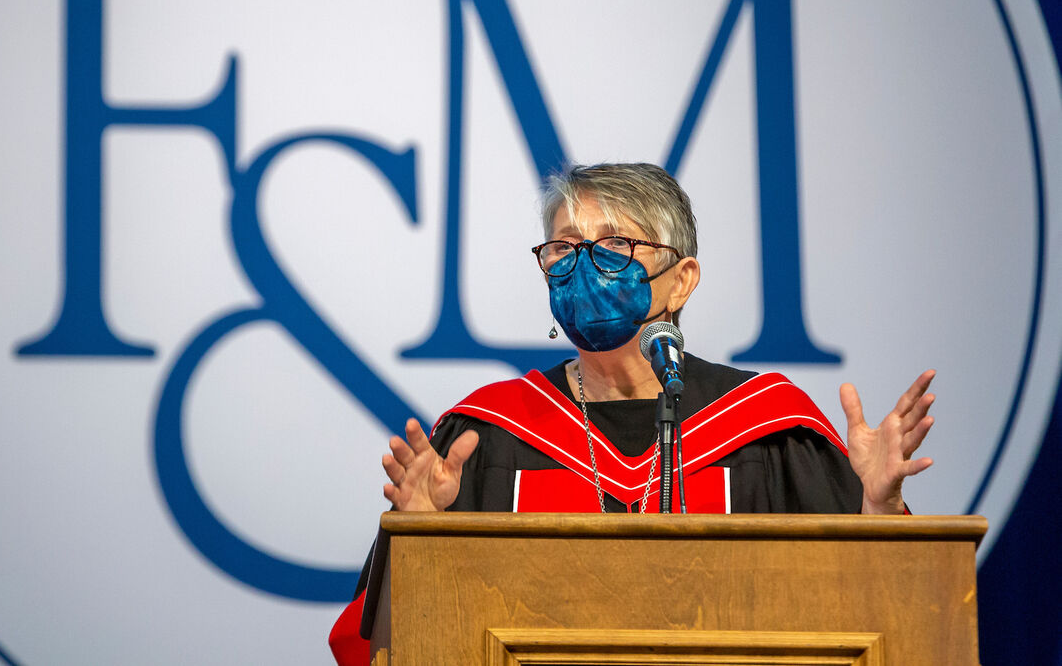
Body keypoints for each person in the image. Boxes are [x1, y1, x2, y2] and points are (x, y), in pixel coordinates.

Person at [329, 162, 935, 663]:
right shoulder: (489, 434)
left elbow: (878, 628)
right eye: (564, 248)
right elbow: (381, 650)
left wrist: (878, 508)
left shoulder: (768, 430)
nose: (583, 265)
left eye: (614, 245)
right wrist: (416, 537)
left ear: (682, 280)